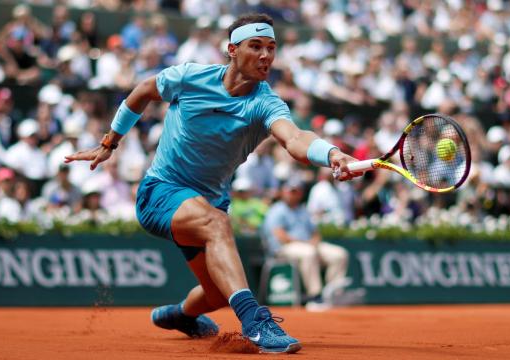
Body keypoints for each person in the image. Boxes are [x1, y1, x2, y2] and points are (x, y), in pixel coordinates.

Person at [65, 13, 361, 354]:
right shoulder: (190, 77)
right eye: (256, 46)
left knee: (219, 292)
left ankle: (180, 316)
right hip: (161, 192)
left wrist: (333, 153)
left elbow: (294, 139)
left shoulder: (264, 103)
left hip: (207, 206)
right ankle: (255, 321)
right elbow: (144, 90)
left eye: (271, 48)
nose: (266, 56)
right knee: (216, 222)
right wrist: (109, 143)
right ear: (232, 50)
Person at [263, 178, 349, 306]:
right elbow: (281, 236)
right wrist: (307, 243)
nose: (293, 194)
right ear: (282, 192)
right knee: (309, 253)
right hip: (283, 248)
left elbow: (315, 232)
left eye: (296, 191)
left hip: (307, 245)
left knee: (339, 254)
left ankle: (333, 294)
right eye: (290, 191)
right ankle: (315, 295)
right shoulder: (276, 210)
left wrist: (314, 241)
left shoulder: (303, 210)